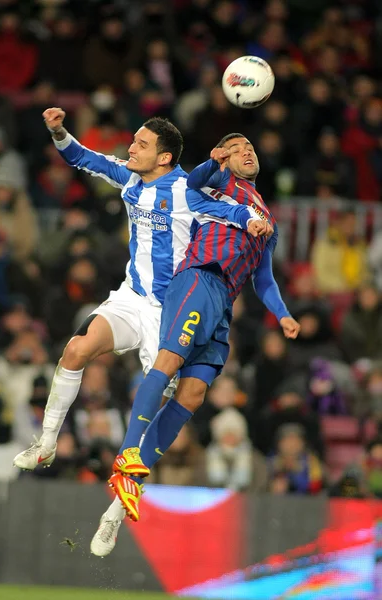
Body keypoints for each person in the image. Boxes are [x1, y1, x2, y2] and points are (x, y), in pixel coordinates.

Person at [12, 111, 268, 554]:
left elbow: (232, 209)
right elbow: (83, 158)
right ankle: (47, 443)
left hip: (172, 311)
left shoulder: (187, 190)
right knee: (75, 350)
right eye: (133, 141)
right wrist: (58, 131)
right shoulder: (130, 179)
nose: (130, 149)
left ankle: (113, 515)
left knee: (163, 409)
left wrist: (253, 221)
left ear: (164, 157)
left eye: (140, 144)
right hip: (131, 298)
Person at [102, 133, 300, 551]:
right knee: (168, 361)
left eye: (251, 146)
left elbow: (262, 278)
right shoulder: (217, 184)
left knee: (191, 397)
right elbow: (191, 187)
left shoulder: (266, 217)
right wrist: (213, 163)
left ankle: (129, 486)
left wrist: (282, 314)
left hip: (224, 303)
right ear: (224, 158)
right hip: (198, 278)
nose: (247, 150)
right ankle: (126, 454)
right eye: (237, 147)